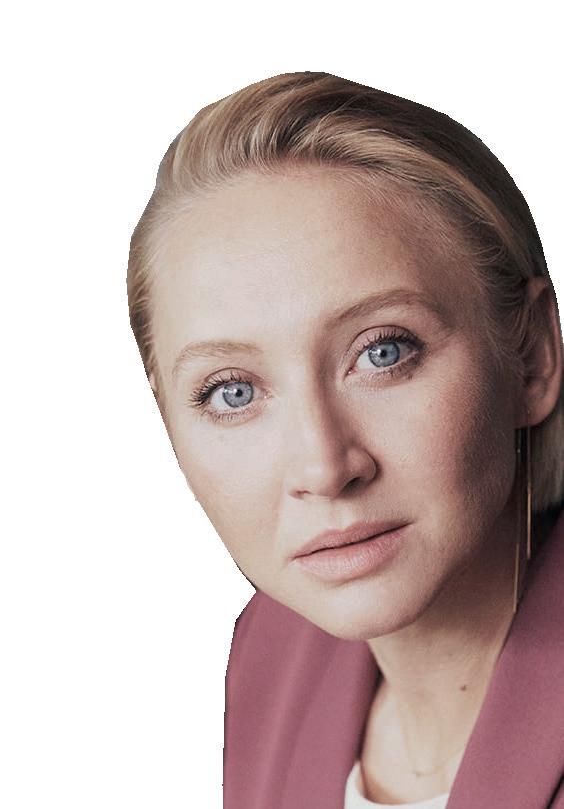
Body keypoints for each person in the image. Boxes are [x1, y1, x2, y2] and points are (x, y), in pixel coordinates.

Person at [127, 72, 564, 808]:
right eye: (233, 391)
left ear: (531, 357)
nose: (325, 466)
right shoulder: (274, 656)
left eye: (383, 352)